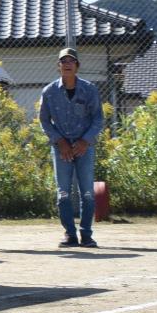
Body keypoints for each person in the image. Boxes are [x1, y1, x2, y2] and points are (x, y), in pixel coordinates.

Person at [39, 47, 104, 248]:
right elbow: (44, 120)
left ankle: (86, 234)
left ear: (77, 66)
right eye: (63, 61)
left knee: (87, 192)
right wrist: (60, 141)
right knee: (64, 192)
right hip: (62, 149)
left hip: (84, 147)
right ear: (58, 66)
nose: (67, 64)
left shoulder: (90, 89)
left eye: (71, 61)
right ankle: (69, 234)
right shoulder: (49, 92)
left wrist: (86, 141)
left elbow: (98, 118)